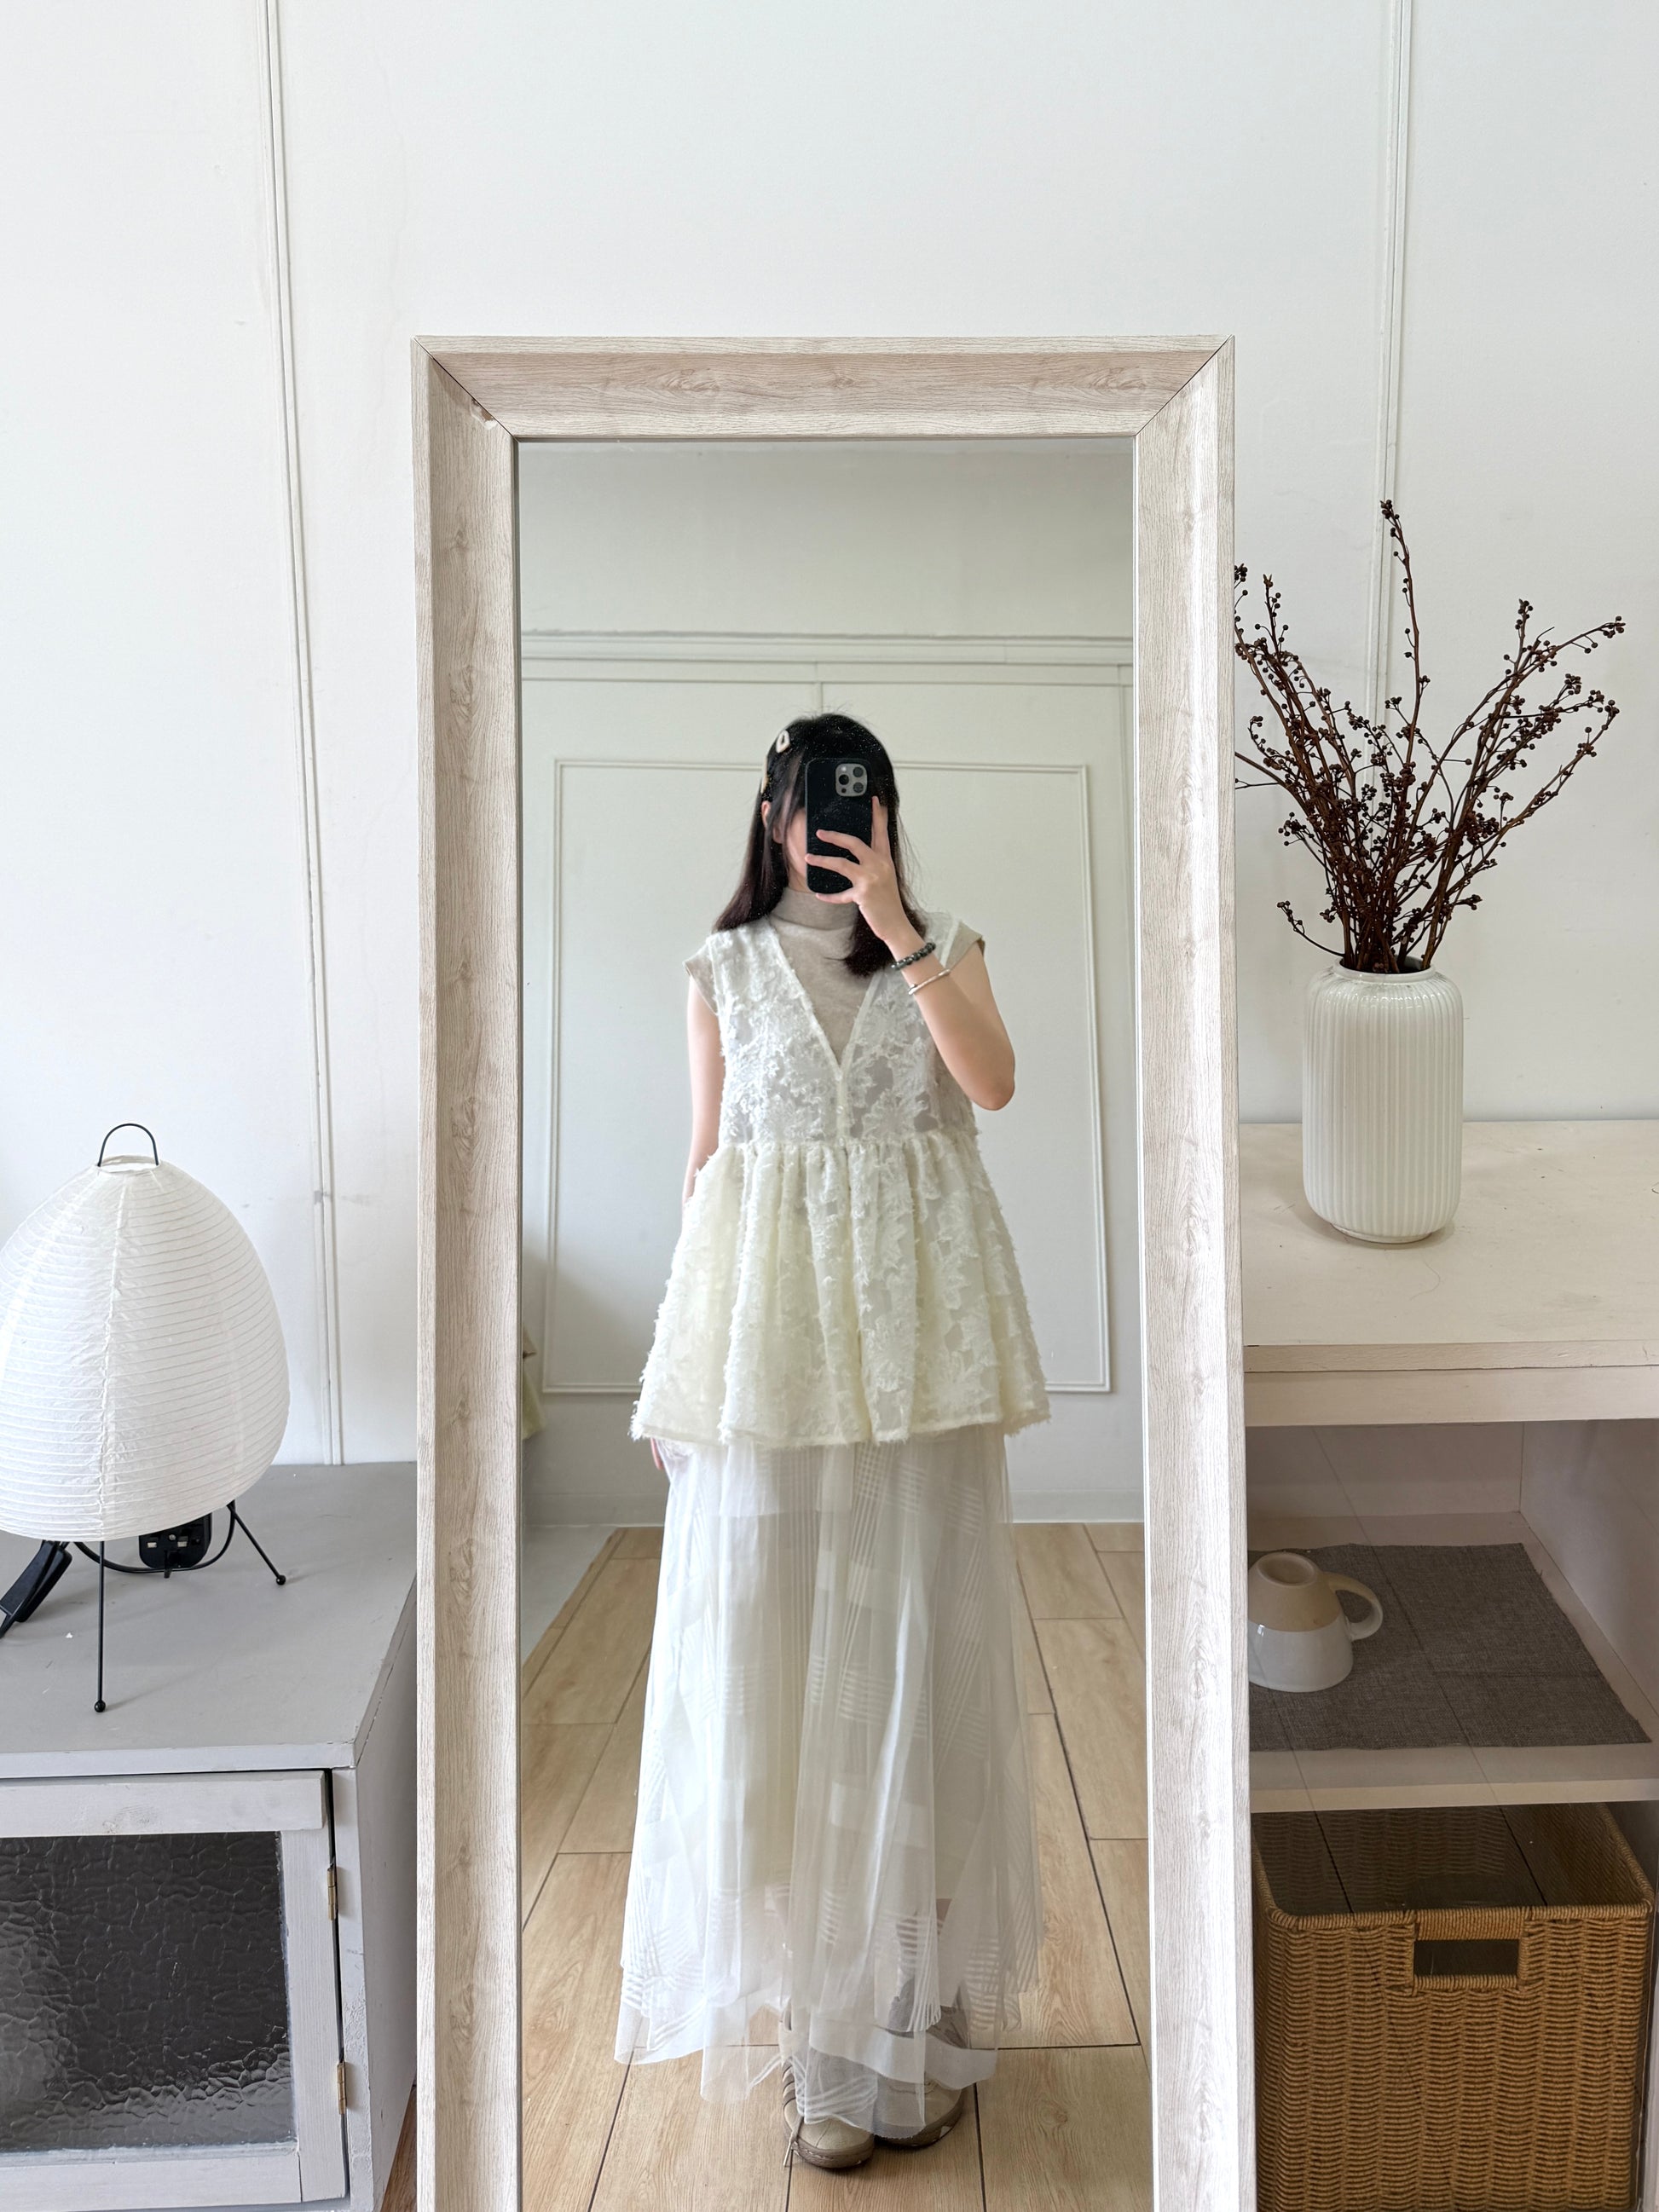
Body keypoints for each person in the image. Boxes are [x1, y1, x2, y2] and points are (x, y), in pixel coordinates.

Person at [615, 711, 1049, 2173]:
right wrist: (678, 1379)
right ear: (768, 814)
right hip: (770, 1365)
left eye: (855, 801)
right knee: (781, 1675)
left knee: (921, 1665)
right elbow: (706, 1171)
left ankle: (911, 2011)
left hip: (922, 1362)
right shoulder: (721, 971)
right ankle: (821, 2031)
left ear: (885, 813)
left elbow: (990, 1086)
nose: (828, 825)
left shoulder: (947, 947)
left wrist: (897, 926)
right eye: (807, 802)